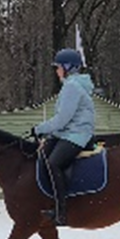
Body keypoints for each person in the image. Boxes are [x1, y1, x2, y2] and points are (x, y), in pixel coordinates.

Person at [34, 48, 95, 226]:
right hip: (68, 133)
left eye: (58, 67)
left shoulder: (72, 87)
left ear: (68, 67)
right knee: (43, 154)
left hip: (77, 135)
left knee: (53, 163)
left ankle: (62, 211)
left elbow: (62, 119)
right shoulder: (71, 85)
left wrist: (39, 129)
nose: (56, 70)